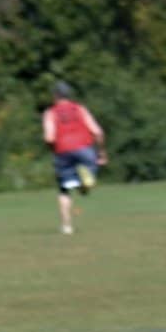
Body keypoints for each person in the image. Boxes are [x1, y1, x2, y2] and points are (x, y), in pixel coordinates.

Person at [41, 82, 106, 235]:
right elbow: (98, 132)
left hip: (63, 151)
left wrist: (53, 151)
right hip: (85, 149)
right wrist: (102, 153)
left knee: (64, 189)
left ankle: (67, 226)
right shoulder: (80, 109)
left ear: (55, 96)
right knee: (87, 175)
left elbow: (49, 138)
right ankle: (85, 183)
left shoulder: (50, 113)